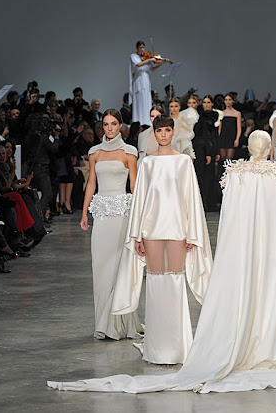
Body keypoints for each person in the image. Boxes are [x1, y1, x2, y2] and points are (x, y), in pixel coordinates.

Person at [48, 130, 276, 393]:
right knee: (260, 295)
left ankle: (202, 342)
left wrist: (230, 251)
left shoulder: (239, 174)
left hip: (242, 252)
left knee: (229, 294)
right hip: (268, 252)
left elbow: (231, 217)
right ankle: (257, 341)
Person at [110, 115, 212, 365]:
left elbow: (191, 197)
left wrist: (192, 231)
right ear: (154, 134)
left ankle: (178, 347)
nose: (164, 135)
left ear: (173, 131)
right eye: (159, 131)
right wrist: (136, 234)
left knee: (176, 280)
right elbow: (140, 199)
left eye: (167, 130)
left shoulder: (184, 162)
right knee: (155, 281)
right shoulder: (147, 163)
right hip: (152, 228)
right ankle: (156, 348)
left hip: (178, 227)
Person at [78, 109, 143, 340]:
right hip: (101, 216)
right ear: (102, 127)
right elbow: (91, 184)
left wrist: (139, 216)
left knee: (117, 268)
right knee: (100, 266)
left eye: (114, 124)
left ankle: (117, 324)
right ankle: (103, 323)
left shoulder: (129, 152)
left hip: (122, 216)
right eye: (106, 124)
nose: (110, 128)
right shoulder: (94, 152)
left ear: (121, 126)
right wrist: (84, 213)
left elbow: (135, 186)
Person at [129, 41, 165, 126]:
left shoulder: (146, 57)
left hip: (145, 79)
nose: (142, 49)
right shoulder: (133, 56)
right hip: (138, 79)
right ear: (137, 48)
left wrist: (162, 63)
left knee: (146, 99)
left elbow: (152, 69)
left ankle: (147, 121)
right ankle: (139, 122)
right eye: (140, 48)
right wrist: (149, 60)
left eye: (143, 47)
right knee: (139, 100)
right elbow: (138, 65)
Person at [217, 93, 242, 161]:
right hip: (223, 137)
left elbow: (239, 128)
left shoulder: (237, 113)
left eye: (229, 100)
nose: (228, 102)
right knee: (223, 157)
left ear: (233, 101)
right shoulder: (221, 113)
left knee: (230, 157)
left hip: (232, 137)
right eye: (226, 100)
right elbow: (219, 128)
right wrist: (218, 138)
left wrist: (237, 139)